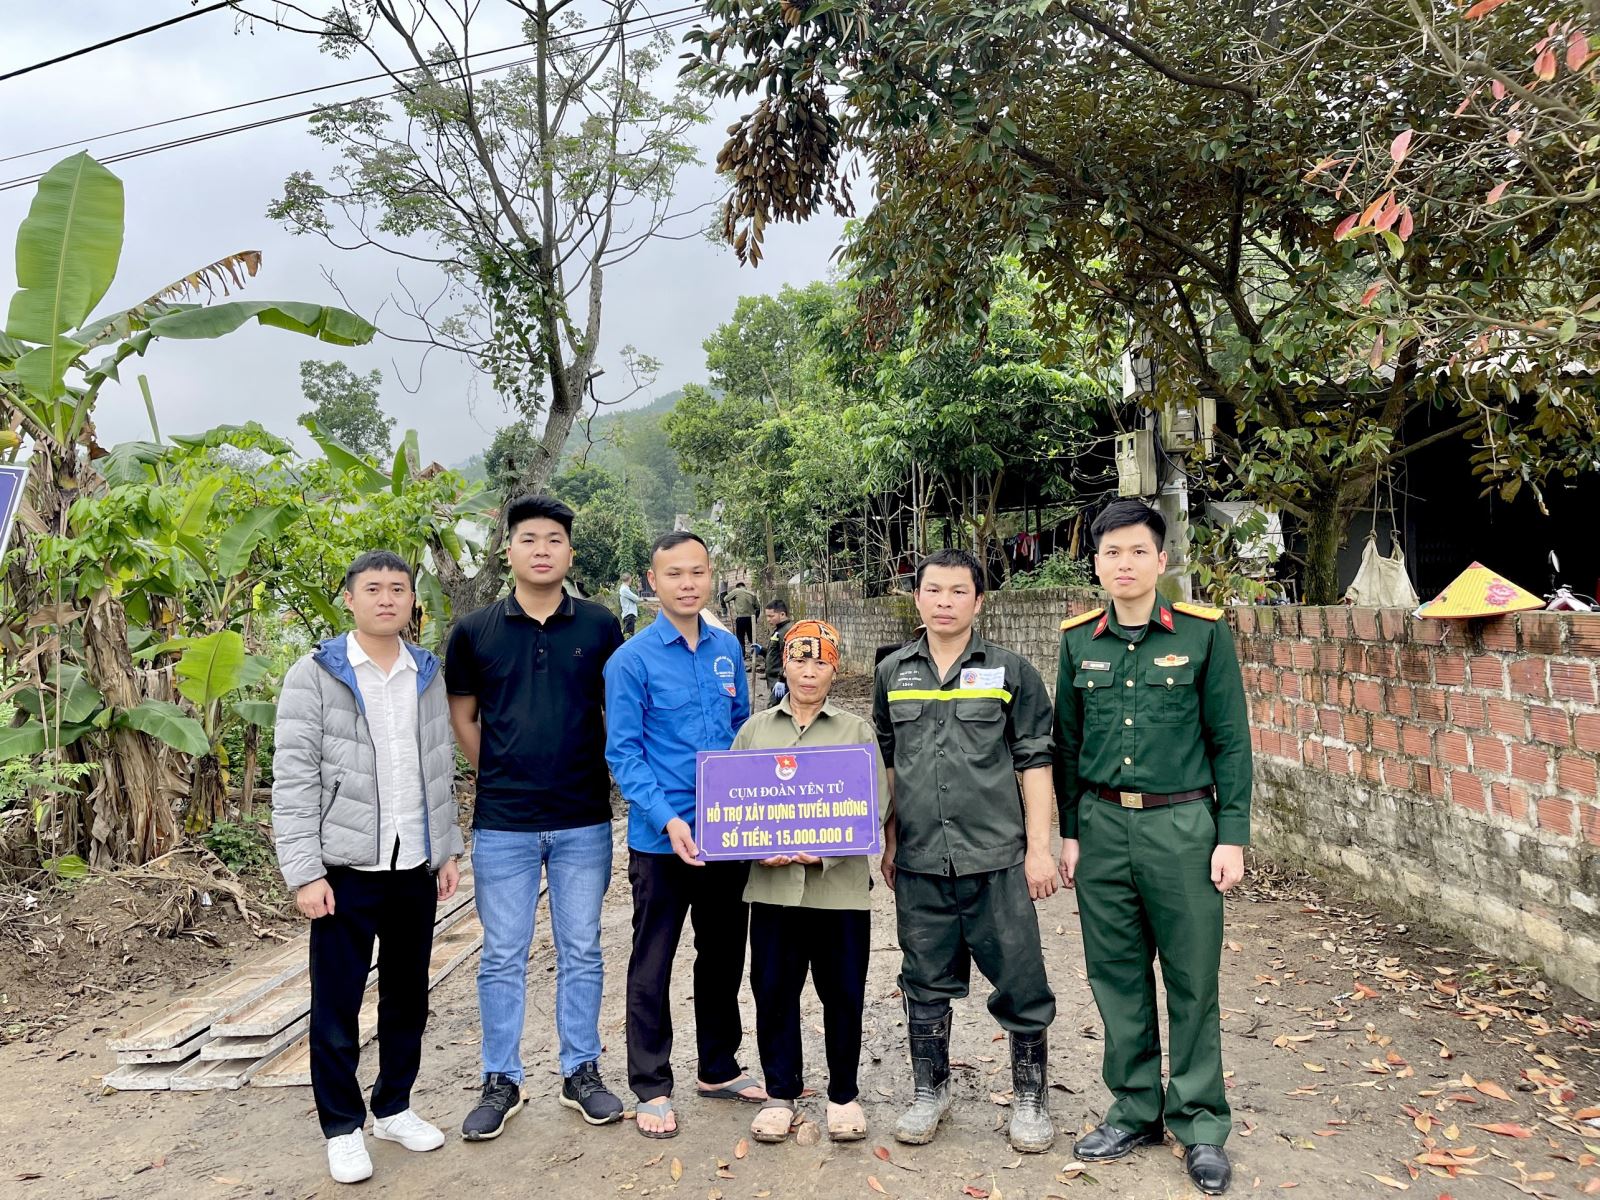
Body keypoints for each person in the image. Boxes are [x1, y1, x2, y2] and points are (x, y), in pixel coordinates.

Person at [1053, 499, 1251, 1197]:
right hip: (1103, 827)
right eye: (1111, 552)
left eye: (1138, 551)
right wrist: (1070, 833)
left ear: (1161, 559)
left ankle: (1199, 1122)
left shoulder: (1203, 634)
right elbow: (1067, 745)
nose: (1125, 564)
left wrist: (1232, 837)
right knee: (1116, 975)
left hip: (1182, 827)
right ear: (1096, 563)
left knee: (1193, 978)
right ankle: (1135, 1108)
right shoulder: (1078, 641)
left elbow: (1231, 742)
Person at [272, 550, 465, 1186]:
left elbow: (438, 766)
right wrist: (304, 872)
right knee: (337, 1004)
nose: (387, 599)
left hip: (414, 863)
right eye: (374, 588)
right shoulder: (314, 675)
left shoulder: (426, 673)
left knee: (408, 997)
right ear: (350, 599)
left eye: (398, 589)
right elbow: (293, 779)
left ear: (412, 601)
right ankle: (342, 1127)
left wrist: (446, 849)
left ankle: (394, 1106)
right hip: (344, 867)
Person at [446, 494, 626, 1139]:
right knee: (502, 953)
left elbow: (613, 712)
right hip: (504, 823)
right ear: (509, 551)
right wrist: (499, 771)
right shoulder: (474, 631)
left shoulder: (601, 626)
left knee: (582, 948)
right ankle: (502, 1079)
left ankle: (581, 1071)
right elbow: (464, 717)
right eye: (529, 539)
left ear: (570, 553)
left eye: (554, 540)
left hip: (583, 818)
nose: (542, 550)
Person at [873, 549, 1058, 1154]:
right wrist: (891, 840)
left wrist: (1039, 850)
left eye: (959, 591)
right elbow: (889, 763)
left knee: (1021, 981)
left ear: (979, 601)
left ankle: (1030, 1098)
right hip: (922, 860)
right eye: (933, 590)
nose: (945, 602)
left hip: (996, 858)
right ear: (917, 597)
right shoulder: (892, 672)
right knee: (924, 980)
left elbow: (1035, 761)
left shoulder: (1010, 671)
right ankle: (930, 1091)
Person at [604, 531, 764, 1139]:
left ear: (711, 575)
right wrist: (667, 819)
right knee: (653, 960)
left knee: (722, 954)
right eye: (674, 573)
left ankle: (718, 1067)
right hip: (661, 840)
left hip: (726, 836)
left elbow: (744, 732)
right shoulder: (631, 661)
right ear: (653, 582)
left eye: (697, 571)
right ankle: (651, 1084)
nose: (688, 583)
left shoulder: (726, 650)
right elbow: (623, 754)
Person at [736, 620, 887, 1145]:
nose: (808, 671)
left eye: (820, 661)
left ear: (834, 670)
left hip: (838, 890)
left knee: (842, 993)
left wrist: (826, 851)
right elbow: (732, 803)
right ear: (785, 664)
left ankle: (843, 1095)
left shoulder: (855, 731)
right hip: (772, 890)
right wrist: (755, 846)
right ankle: (780, 1094)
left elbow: (875, 804)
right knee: (774, 990)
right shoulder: (755, 731)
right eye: (799, 660)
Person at [760, 598, 793, 706]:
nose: (768, 620)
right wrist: (762, 651)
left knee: (774, 709)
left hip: (782, 681)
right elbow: (776, 654)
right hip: (775, 680)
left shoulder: (787, 631)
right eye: (767, 616)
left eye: (771, 616)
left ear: (782, 614)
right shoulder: (779, 630)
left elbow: (790, 658)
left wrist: (782, 680)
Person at [726, 579, 760, 655]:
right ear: (744, 587)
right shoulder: (752, 594)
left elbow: (726, 599)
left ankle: (742, 654)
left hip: (741, 618)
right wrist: (755, 618)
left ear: (738, 587)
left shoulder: (736, 591)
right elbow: (758, 607)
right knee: (752, 637)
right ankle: (756, 653)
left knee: (740, 636)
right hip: (751, 618)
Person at [618, 573, 641, 638]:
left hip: (628, 614)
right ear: (629, 579)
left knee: (627, 634)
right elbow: (636, 599)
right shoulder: (624, 589)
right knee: (628, 636)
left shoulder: (625, 588)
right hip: (629, 615)